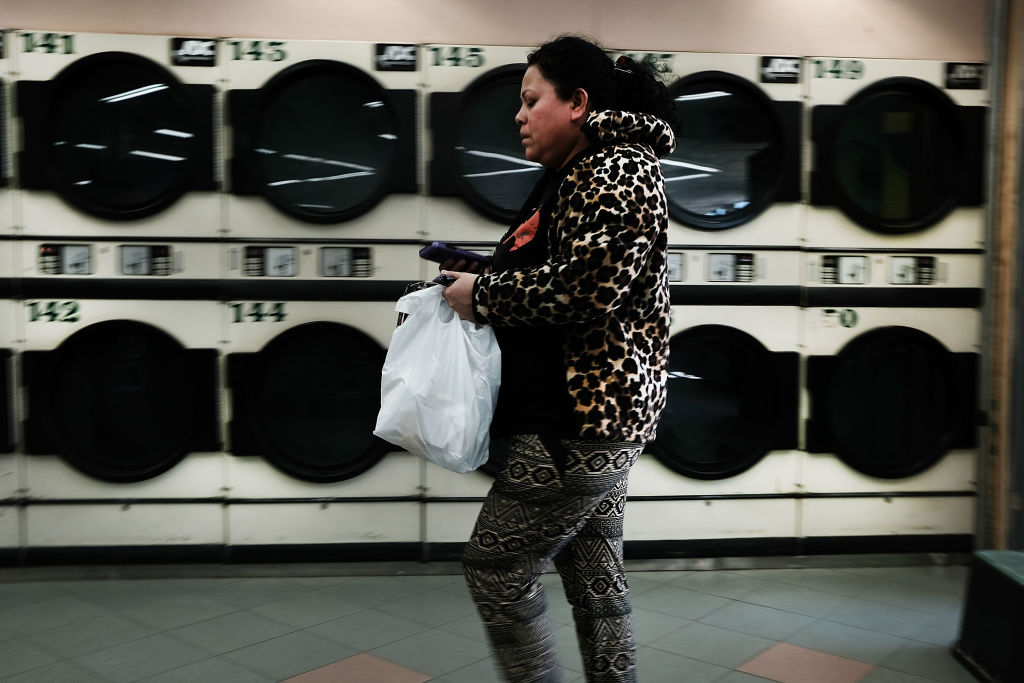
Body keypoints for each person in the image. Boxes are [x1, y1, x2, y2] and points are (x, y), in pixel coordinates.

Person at [440, 34, 676, 683]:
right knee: (597, 582)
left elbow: (590, 286)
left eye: (530, 99)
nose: (518, 115)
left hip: (576, 420)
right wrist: (480, 273)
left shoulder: (616, 167)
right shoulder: (575, 171)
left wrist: (484, 294)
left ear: (577, 102)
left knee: (496, 571)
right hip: (583, 420)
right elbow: (558, 269)